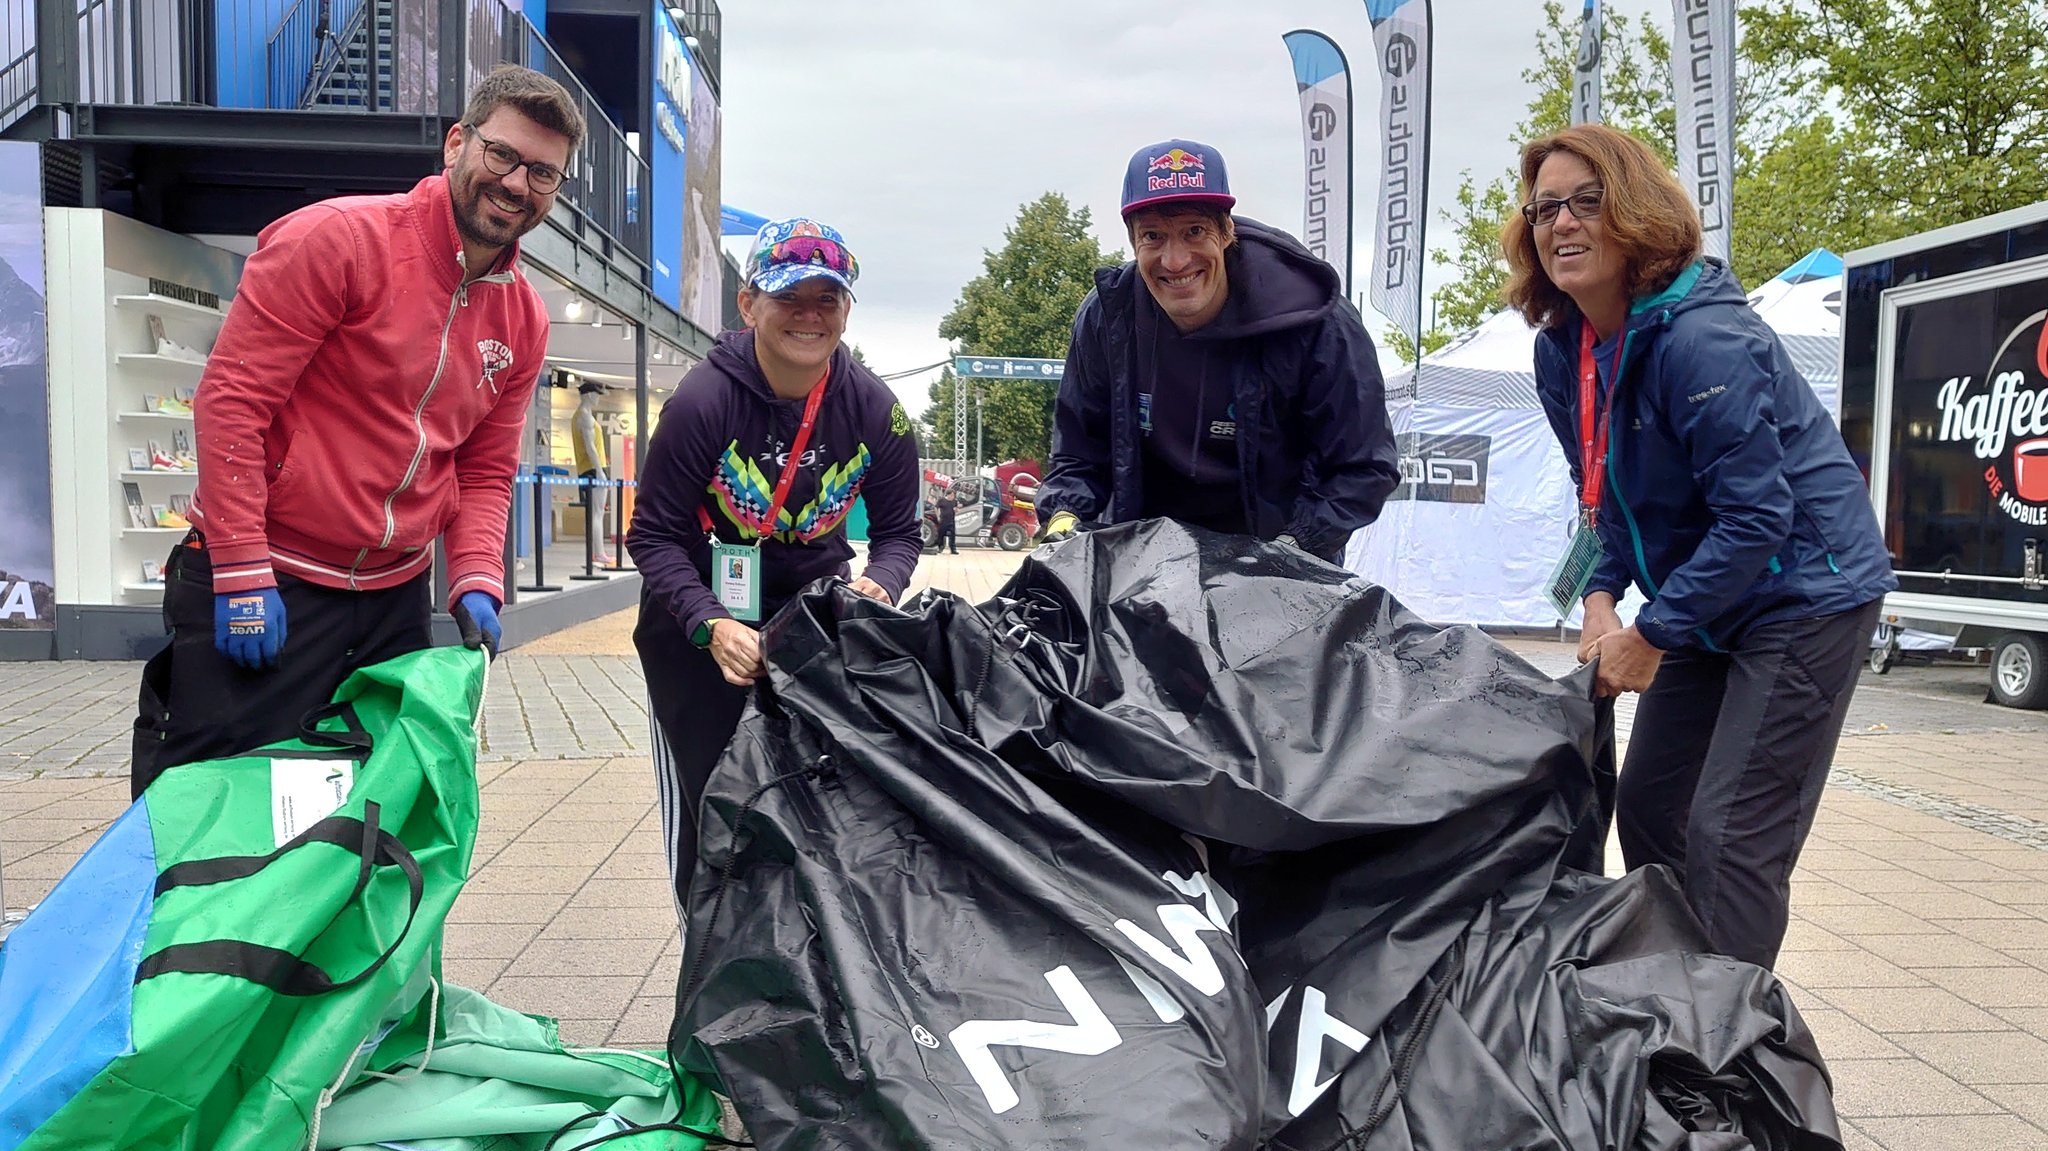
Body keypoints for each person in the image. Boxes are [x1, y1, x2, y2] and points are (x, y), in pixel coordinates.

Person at [129, 64, 584, 797]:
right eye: (502, 154)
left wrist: (476, 579)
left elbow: (484, 470)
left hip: (393, 602)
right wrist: (243, 570)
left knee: (358, 834)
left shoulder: (524, 319)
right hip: (268, 581)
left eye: (543, 173)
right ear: (457, 143)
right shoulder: (337, 241)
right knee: (213, 821)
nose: (516, 183)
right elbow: (232, 402)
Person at [1504, 123, 1897, 968]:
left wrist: (1651, 634)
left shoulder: (1702, 340)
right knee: (1650, 807)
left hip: (1806, 594)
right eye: (1544, 210)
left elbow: (1757, 519)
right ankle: (1668, 1001)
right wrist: (1602, 597)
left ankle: (1729, 1060)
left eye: (1586, 202)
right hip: (1711, 594)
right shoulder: (1559, 350)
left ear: (1634, 212)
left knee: (1730, 837)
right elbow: (1599, 496)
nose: (1561, 224)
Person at [628, 218, 923, 910]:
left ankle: (802, 985)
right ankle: (705, 989)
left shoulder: (879, 411)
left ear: (848, 310)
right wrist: (709, 624)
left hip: (809, 636)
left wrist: (881, 584)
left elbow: (900, 533)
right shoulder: (703, 401)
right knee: (711, 816)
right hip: (695, 635)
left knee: (813, 815)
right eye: (790, 297)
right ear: (749, 303)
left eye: (828, 299)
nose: (809, 317)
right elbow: (652, 537)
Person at [1034, 138, 1400, 561]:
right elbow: (1079, 454)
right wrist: (1063, 519)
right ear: (1133, 242)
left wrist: (1295, 548)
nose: (1174, 260)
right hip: (1144, 567)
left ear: (1226, 231)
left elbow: (1362, 466)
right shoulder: (1106, 318)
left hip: (1279, 562)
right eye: (1153, 236)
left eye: (1194, 231)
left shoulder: (1316, 321)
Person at [936, 486, 960, 554]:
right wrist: (938, 516)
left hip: (951, 520)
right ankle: (940, 547)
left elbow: (957, 509)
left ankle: (953, 549)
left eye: (954, 495)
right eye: (951, 495)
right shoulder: (942, 500)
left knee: (952, 535)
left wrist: (956, 510)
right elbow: (936, 507)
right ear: (948, 494)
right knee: (941, 534)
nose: (953, 497)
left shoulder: (954, 501)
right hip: (943, 520)